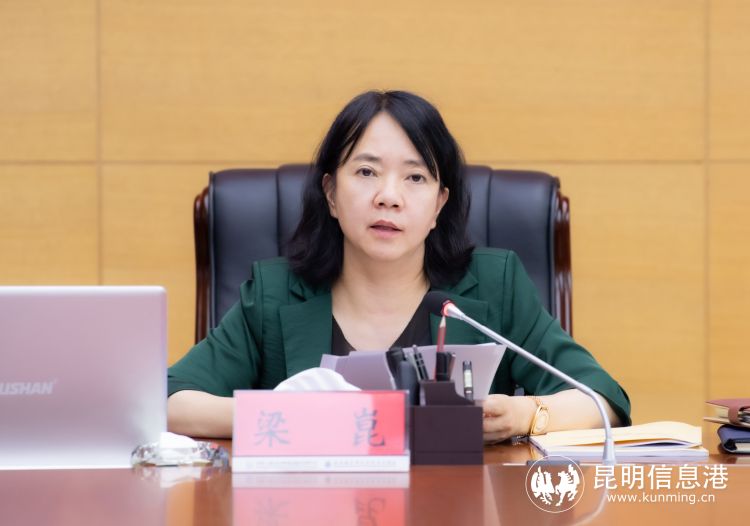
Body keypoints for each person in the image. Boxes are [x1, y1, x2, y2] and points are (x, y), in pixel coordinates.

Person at [167, 90, 631, 440]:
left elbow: (603, 400)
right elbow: (167, 402)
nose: (388, 196)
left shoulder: (494, 286)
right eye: (366, 172)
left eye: (415, 177)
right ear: (331, 194)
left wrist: (526, 415)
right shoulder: (274, 293)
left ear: (439, 204)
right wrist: (289, 414)